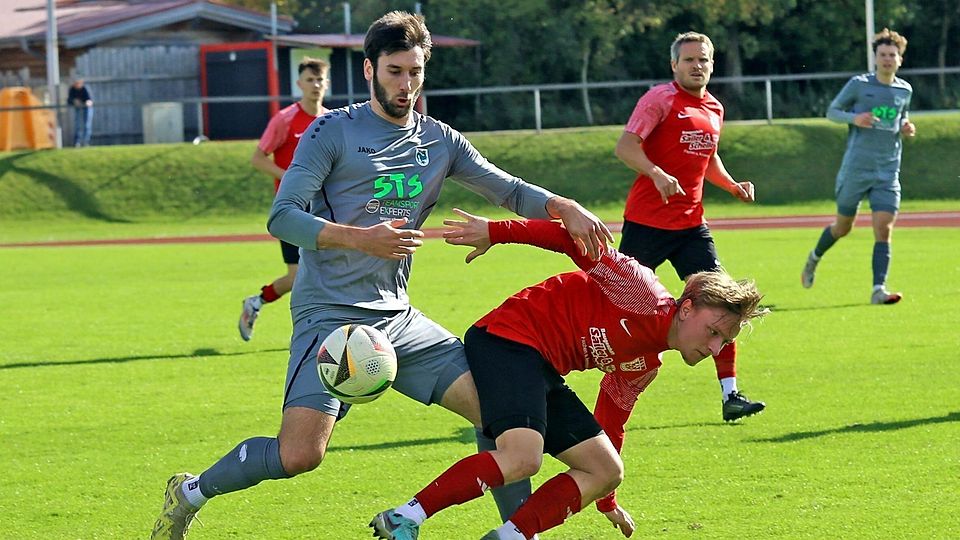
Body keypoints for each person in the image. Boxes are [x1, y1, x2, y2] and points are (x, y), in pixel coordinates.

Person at [150, 11, 612, 540]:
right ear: (369, 70)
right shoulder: (332, 131)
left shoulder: (439, 140)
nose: (406, 84)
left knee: (500, 416)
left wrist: (562, 205)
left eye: (415, 72)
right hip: (330, 319)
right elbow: (283, 216)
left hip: (398, 320)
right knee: (300, 454)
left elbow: (505, 188)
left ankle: (515, 533)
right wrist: (360, 238)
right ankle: (191, 492)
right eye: (395, 71)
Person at [371, 212, 767, 540]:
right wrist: (495, 231)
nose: (716, 347)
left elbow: (611, 423)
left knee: (606, 469)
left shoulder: (645, 364)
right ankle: (404, 516)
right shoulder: (640, 290)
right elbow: (571, 240)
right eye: (713, 331)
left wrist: (606, 497)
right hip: (508, 337)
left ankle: (509, 536)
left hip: (541, 368)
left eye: (724, 341)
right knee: (523, 457)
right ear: (687, 308)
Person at [613, 31, 764, 422]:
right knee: (614, 306)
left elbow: (708, 158)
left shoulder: (714, 107)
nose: (697, 66)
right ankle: (579, 380)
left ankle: (731, 395)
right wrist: (656, 173)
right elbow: (626, 147)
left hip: (691, 225)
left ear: (712, 65)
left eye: (704, 60)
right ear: (674, 65)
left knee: (726, 301)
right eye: (689, 60)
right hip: (646, 224)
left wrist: (731, 185)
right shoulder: (659, 99)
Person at [801, 28, 914, 305]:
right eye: (883, 54)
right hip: (856, 169)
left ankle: (878, 290)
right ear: (875, 57)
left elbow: (901, 118)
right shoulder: (859, 84)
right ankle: (814, 258)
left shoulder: (904, 90)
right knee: (843, 227)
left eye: (892, 55)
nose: (887, 59)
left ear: (900, 59)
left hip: (888, 171)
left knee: (884, 229)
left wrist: (906, 127)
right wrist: (855, 118)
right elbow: (832, 112)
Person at [238, 57, 331, 341]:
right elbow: (258, 158)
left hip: (325, 208)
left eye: (320, 79)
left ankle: (328, 333)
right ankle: (257, 302)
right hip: (293, 210)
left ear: (326, 83)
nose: (316, 85)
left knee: (330, 272)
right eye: (310, 80)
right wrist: (291, 178)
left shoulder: (332, 120)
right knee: (298, 276)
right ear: (299, 84)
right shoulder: (285, 120)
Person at [67, 78, 93, 147]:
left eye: (78, 83)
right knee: (77, 125)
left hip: (87, 108)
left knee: (87, 125)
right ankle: (77, 142)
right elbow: (69, 100)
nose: (77, 85)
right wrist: (74, 101)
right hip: (78, 108)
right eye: (75, 83)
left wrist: (88, 102)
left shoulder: (85, 89)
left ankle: (86, 142)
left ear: (81, 83)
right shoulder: (72, 89)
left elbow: (90, 100)